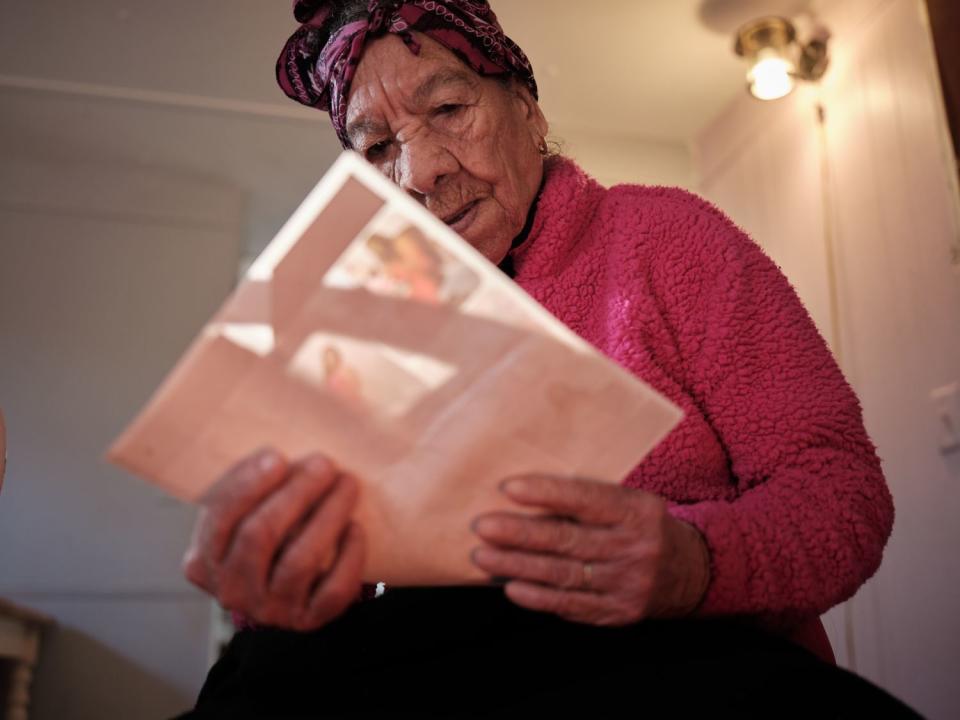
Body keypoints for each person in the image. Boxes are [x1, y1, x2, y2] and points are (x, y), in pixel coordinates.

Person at [177, 1, 913, 717]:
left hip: (679, 658)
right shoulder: (374, 325)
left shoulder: (664, 237)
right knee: (255, 674)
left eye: (447, 110)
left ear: (528, 109)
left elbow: (842, 496)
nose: (420, 171)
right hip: (446, 666)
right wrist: (270, 578)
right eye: (378, 148)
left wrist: (693, 565)